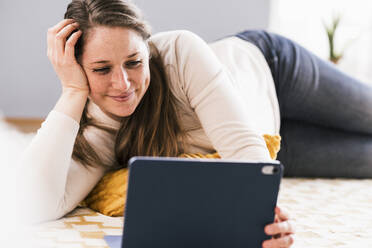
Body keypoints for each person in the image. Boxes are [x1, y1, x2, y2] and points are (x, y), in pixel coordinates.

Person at [17, 0, 370, 247]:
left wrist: (257, 225)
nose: (123, 84)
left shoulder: (181, 52)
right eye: (100, 69)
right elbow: (35, 204)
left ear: (148, 49)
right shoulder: (99, 121)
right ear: (76, 65)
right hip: (274, 139)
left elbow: (246, 150)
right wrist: (73, 91)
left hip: (273, 72)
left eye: (134, 62)